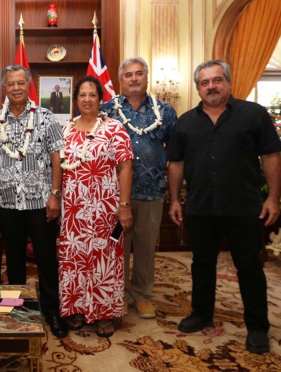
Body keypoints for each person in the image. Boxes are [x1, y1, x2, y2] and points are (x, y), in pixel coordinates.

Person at [167, 60, 281, 354]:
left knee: (249, 266)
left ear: (228, 83)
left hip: (243, 207)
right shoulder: (185, 121)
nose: (211, 87)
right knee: (202, 264)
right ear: (198, 88)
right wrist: (175, 199)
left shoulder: (253, 115)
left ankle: (257, 326)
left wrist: (272, 198)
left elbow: (271, 155)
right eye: (204, 83)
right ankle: (202, 313)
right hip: (201, 206)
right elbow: (176, 163)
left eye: (217, 80)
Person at [0, 65, 68, 338]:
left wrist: (55, 195)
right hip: (8, 201)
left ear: (28, 85)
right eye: (11, 84)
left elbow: (57, 158)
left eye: (21, 82)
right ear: (4, 88)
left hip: (41, 201)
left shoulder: (46, 117)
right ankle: (19, 309)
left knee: (46, 258)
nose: (16, 88)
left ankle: (51, 310)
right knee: (16, 259)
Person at [101, 57, 177, 319]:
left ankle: (143, 295)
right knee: (116, 246)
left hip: (151, 192)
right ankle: (117, 294)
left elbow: (176, 152)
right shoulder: (106, 110)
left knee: (145, 246)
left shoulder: (165, 112)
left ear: (147, 77)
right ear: (120, 80)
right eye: (128, 75)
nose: (134, 79)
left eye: (139, 74)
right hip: (113, 195)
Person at [58, 75, 133, 338]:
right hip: (73, 209)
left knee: (105, 259)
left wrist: (124, 205)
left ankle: (103, 313)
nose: (87, 99)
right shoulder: (65, 129)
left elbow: (125, 166)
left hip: (105, 207)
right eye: (82, 95)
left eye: (92, 94)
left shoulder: (114, 128)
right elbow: (58, 167)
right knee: (75, 258)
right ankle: (76, 309)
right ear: (75, 100)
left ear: (100, 99)